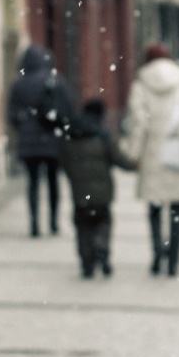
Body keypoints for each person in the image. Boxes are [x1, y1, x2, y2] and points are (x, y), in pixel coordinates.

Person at [122, 44, 179, 277]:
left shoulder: (140, 85)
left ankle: (158, 253)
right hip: (178, 151)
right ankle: (174, 261)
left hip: (153, 154)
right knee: (177, 209)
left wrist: (134, 154)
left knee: (155, 208)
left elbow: (138, 122)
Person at [58, 99, 138, 278]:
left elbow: (63, 161)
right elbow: (118, 159)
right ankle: (102, 247)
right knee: (103, 222)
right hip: (102, 193)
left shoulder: (70, 134)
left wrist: (74, 175)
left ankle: (87, 262)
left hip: (79, 193)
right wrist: (134, 166)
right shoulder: (103, 135)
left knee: (83, 227)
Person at [7, 45, 77, 237]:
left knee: (33, 182)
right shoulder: (55, 80)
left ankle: (34, 224)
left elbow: (11, 115)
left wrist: (24, 126)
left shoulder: (19, 84)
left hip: (28, 142)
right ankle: (53, 222)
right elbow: (70, 109)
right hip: (52, 140)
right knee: (54, 182)